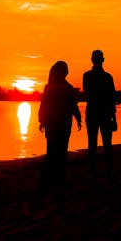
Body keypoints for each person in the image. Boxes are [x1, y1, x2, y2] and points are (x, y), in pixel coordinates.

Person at [38, 60, 82, 190]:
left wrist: (42, 120)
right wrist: (78, 118)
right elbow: (72, 106)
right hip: (60, 124)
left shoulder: (55, 87)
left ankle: (51, 179)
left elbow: (44, 105)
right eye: (65, 69)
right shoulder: (65, 88)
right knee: (59, 152)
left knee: (53, 151)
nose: (67, 71)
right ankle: (55, 179)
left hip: (56, 124)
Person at [83, 49, 117, 183]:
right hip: (98, 113)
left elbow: (111, 98)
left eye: (98, 59)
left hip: (100, 113)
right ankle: (96, 172)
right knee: (97, 144)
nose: (97, 61)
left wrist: (114, 118)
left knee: (100, 144)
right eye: (96, 59)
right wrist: (114, 117)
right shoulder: (103, 77)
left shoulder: (105, 77)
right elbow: (91, 93)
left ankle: (103, 172)